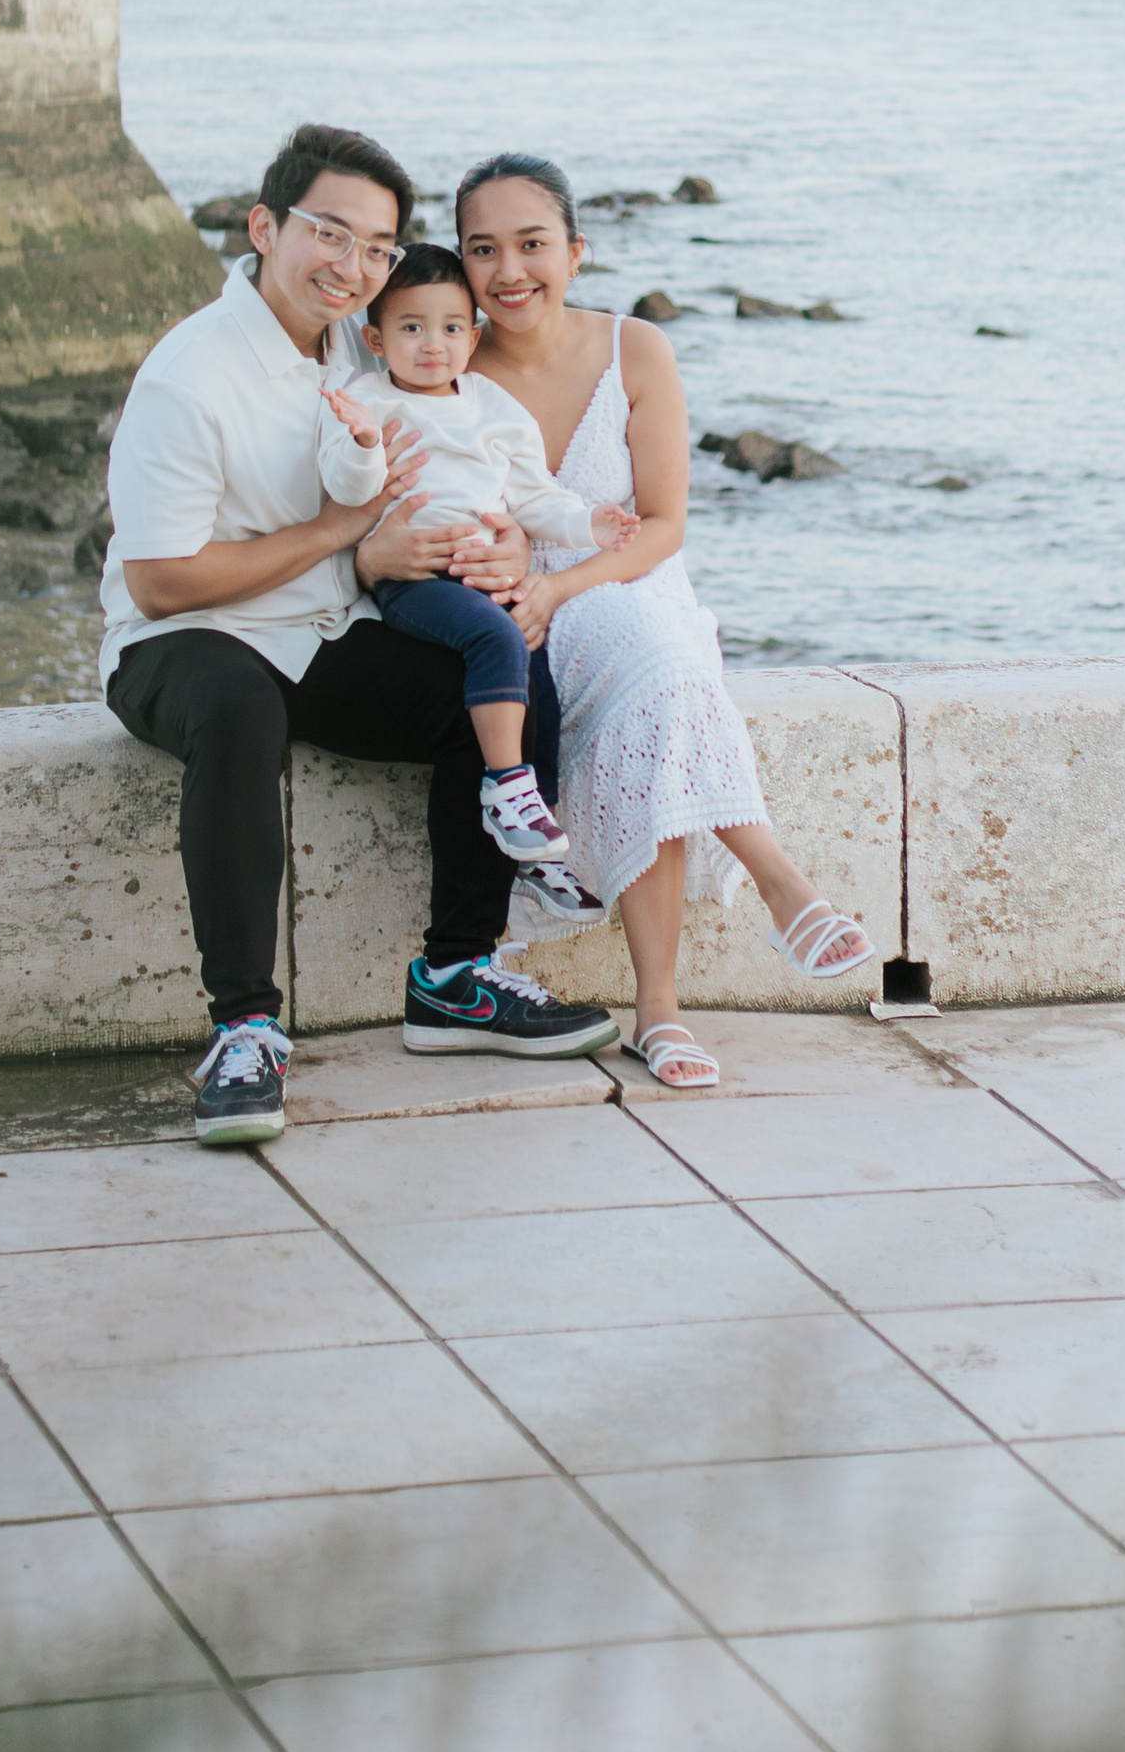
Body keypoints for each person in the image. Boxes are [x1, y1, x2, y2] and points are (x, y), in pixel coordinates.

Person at [100, 121, 619, 1147]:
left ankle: (457, 977)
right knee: (238, 704)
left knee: (505, 665)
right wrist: (341, 533)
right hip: (190, 636)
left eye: (377, 246)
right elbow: (161, 580)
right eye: (329, 233)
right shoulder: (190, 375)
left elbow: (456, 459)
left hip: (326, 624)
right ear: (263, 226)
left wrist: (504, 544)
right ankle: (243, 1029)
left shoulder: (360, 338)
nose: (354, 265)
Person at [456, 151, 871, 1093]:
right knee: (666, 682)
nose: (510, 271)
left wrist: (570, 588)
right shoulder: (450, 361)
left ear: (576, 250)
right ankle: (717, 951)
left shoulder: (633, 350)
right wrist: (533, 587)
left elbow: (667, 526)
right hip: (511, 599)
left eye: (532, 244)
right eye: (484, 250)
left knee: (663, 666)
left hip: (632, 580)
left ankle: (686, 983)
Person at [321, 240, 640, 867]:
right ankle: (504, 785)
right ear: (377, 339)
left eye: (449, 328)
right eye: (412, 327)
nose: (432, 344)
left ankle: (536, 846)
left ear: (472, 338)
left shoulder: (492, 407)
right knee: (496, 639)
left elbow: (532, 497)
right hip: (417, 578)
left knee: (535, 679)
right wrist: (362, 443)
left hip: (484, 573)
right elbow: (347, 489)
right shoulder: (370, 402)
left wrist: (587, 525)